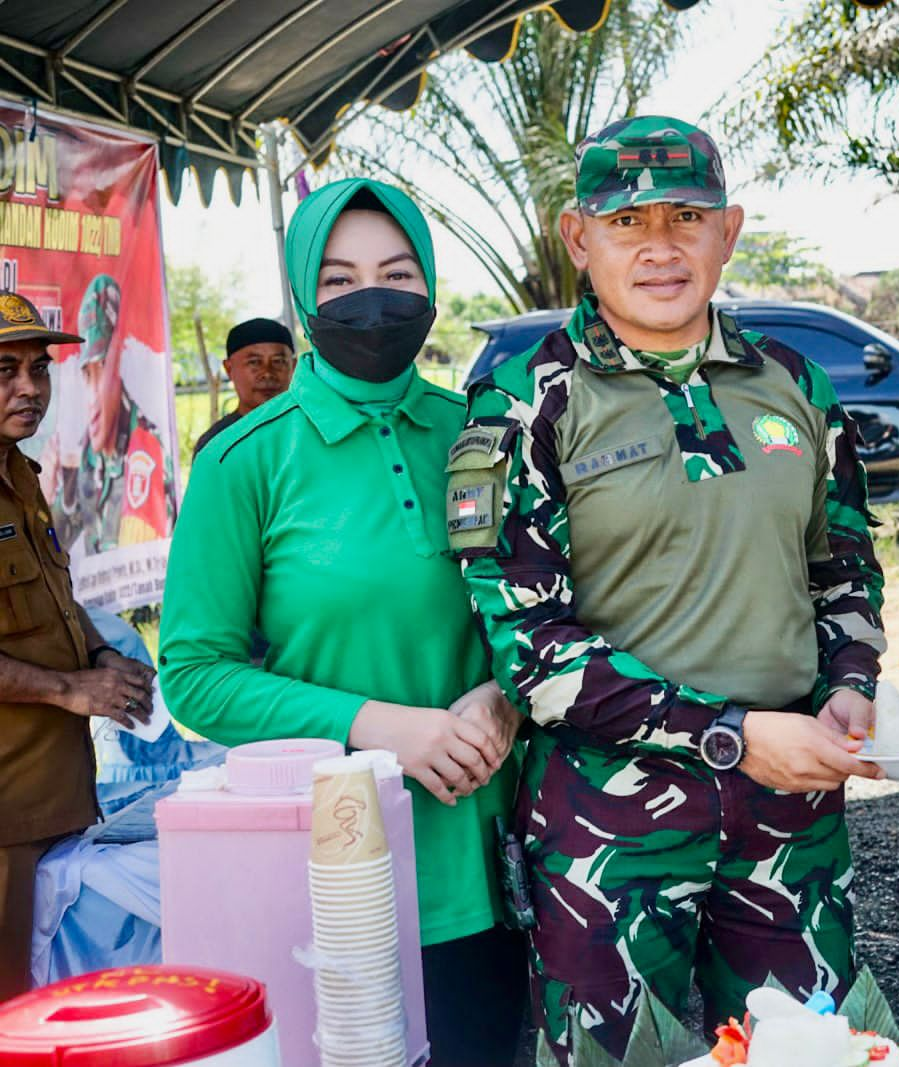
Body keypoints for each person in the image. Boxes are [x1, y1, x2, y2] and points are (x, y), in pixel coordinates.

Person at [452, 115, 887, 1060]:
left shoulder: (796, 385)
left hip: (792, 812)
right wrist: (731, 736)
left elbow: (842, 564)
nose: (660, 247)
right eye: (628, 222)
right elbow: (532, 652)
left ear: (727, 232)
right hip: (609, 821)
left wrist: (851, 681)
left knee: (808, 1055)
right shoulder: (527, 401)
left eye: (686, 218)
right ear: (579, 237)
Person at [159, 179, 524, 1063]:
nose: (373, 299)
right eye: (339, 280)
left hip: (494, 860)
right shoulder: (246, 461)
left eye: (398, 274)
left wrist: (504, 697)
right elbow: (195, 673)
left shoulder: (483, 434)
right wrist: (377, 729)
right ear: (300, 294)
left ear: (431, 285)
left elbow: (549, 609)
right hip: (334, 875)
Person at [0, 291, 154, 1000]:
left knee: (43, 1002)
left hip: (54, 798)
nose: (29, 388)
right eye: (5, 370)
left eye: (38, 368)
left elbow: (55, 601)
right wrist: (69, 689)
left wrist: (99, 657)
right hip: (7, 813)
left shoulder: (21, 476)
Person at [52, 274, 176, 552]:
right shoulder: (87, 455)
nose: (93, 396)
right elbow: (50, 543)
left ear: (119, 367)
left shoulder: (146, 450)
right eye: (86, 374)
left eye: (102, 368)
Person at [193, 318, 296, 455]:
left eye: (278, 361)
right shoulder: (215, 444)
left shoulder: (314, 431)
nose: (267, 373)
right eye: (254, 362)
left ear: (294, 366)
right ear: (229, 369)